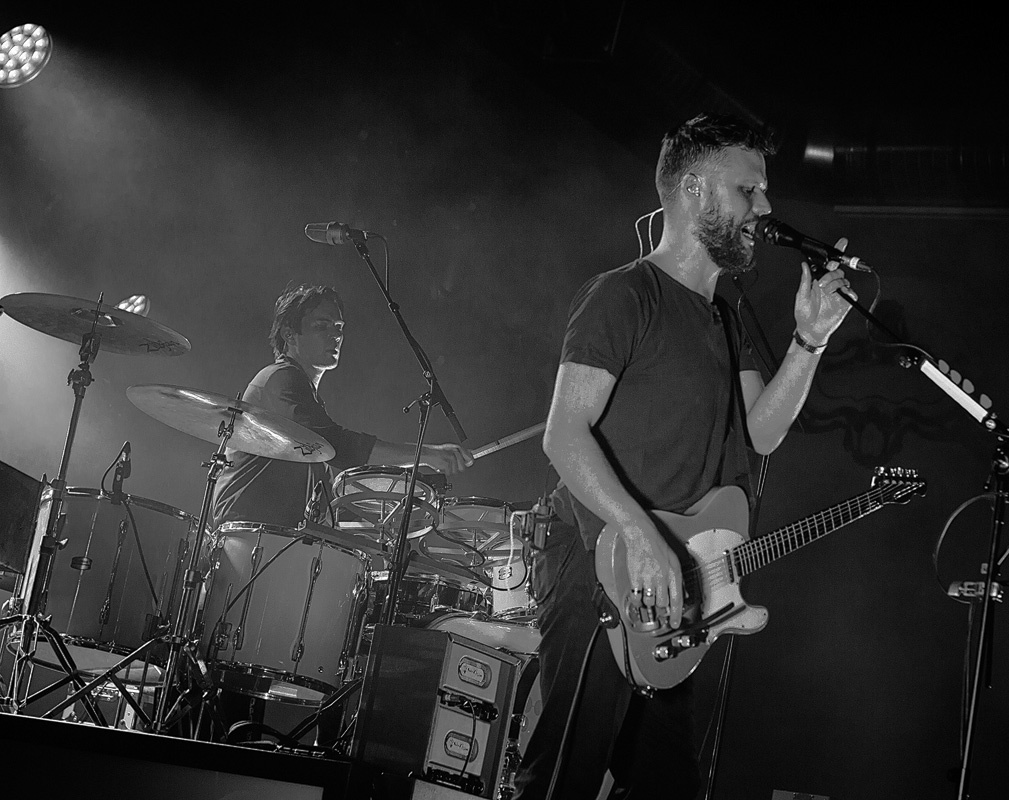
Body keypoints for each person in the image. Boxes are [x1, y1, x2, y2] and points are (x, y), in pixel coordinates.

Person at [514, 113, 856, 799]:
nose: (765, 208)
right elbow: (564, 435)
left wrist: (810, 339)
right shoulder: (623, 295)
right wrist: (639, 532)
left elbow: (762, 432)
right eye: (749, 190)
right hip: (599, 561)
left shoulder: (725, 318)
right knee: (565, 775)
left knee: (668, 785)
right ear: (695, 190)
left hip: (674, 586)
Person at [207, 282, 473, 743]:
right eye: (322, 326)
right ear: (289, 336)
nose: (335, 335)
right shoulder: (281, 379)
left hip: (272, 544)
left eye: (339, 327)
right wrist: (426, 454)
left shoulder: (301, 391)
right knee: (241, 675)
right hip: (248, 543)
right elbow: (335, 444)